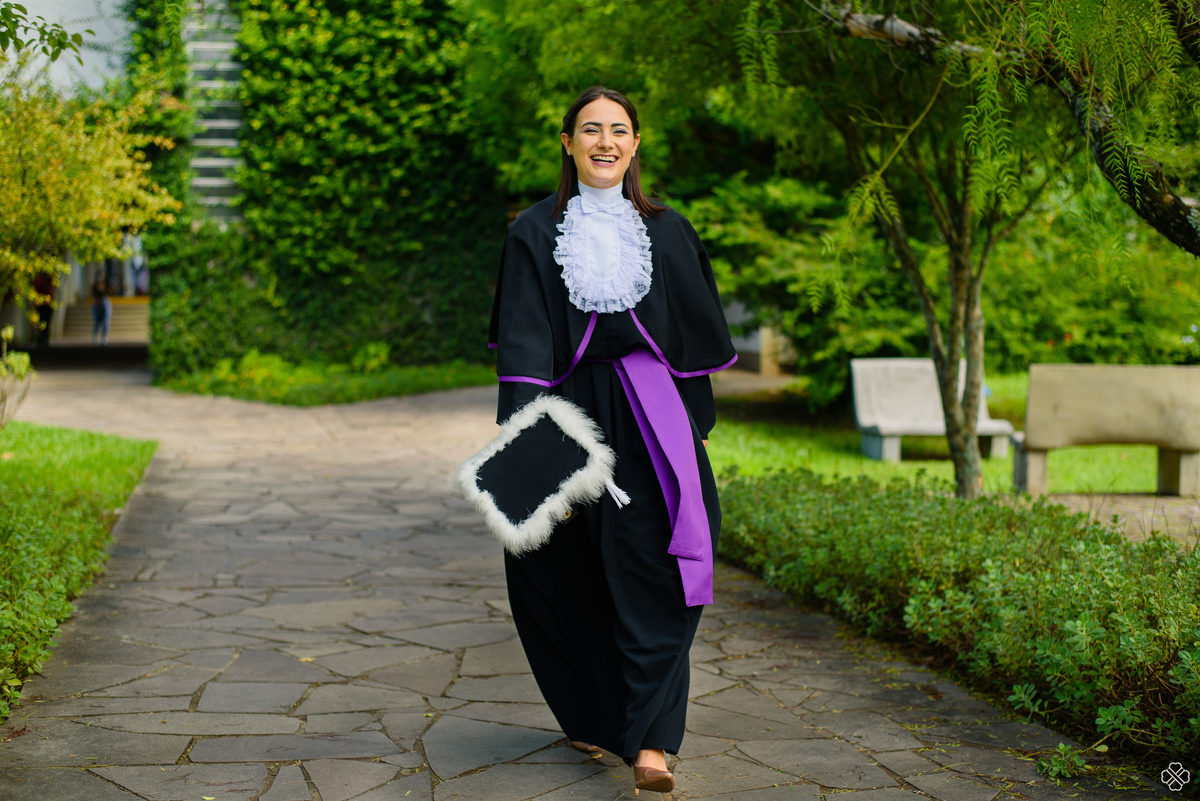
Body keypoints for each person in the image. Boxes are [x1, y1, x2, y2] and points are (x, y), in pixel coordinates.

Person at [489, 86, 736, 795]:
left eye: (619, 130)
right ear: (567, 143)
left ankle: (654, 742)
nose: (605, 141)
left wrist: (696, 435)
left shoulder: (670, 231)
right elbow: (526, 347)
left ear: (635, 145)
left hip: (653, 412)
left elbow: (689, 348)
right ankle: (595, 711)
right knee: (558, 566)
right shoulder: (534, 233)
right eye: (590, 129)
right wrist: (523, 449)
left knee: (663, 563)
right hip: (562, 411)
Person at [92, 277, 111, 346]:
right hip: (98, 303)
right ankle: (96, 337)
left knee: (106, 321)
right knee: (97, 322)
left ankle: (104, 338)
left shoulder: (105, 289)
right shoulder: (95, 289)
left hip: (104, 302)